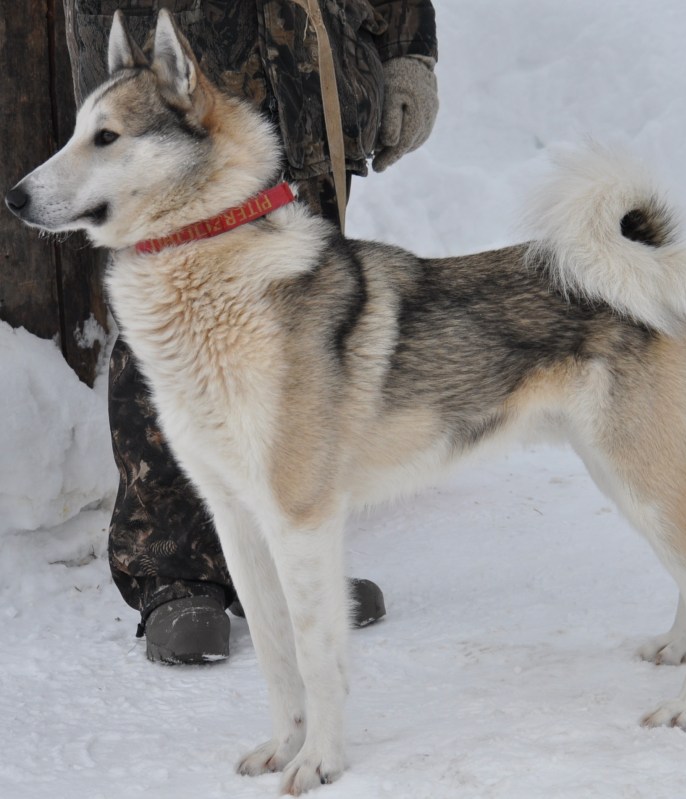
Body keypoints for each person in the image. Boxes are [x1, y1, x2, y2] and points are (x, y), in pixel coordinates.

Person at [62, 0, 439, 664]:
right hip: (174, 66)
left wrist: (408, 48)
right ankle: (176, 571)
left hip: (307, 72)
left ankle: (292, 562)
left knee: (300, 337)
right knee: (177, 317)